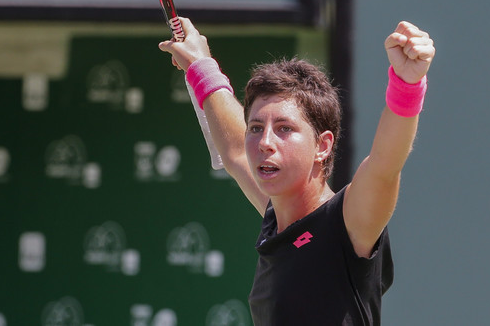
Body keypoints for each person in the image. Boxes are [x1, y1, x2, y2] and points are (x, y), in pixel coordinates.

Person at [159, 17, 435, 325]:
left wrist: (407, 84)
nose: (265, 142)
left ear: (323, 145)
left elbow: (385, 165)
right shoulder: (274, 218)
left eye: (284, 129)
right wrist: (200, 65)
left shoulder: (347, 223)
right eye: (256, 127)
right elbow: (236, 150)